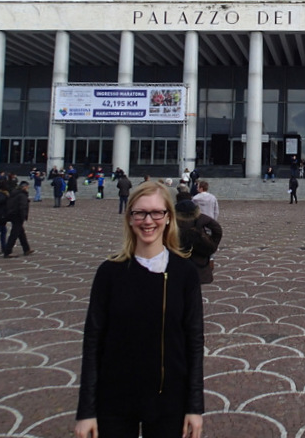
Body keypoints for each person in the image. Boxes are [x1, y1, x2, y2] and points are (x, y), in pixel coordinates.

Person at [74, 181, 204, 438]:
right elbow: (93, 342)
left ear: (168, 218)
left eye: (157, 212)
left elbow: (194, 341)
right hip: (115, 398)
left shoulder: (184, 272)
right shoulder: (109, 272)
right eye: (140, 213)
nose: (148, 221)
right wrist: (86, 411)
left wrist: (195, 407)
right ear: (130, 218)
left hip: (169, 398)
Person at [174, 195, 223, 285]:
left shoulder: (175, 223)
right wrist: (213, 243)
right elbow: (217, 229)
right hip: (200, 265)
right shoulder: (200, 220)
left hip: (178, 263)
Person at [3, 181, 34, 258]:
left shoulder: (14, 193)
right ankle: (8, 251)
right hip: (18, 216)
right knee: (14, 234)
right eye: (27, 187)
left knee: (21, 233)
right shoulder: (22, 195)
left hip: (13, 214)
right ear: (24, 187)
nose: (27, 188)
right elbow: (22, 206)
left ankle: (26, 249)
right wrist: (23, 216)